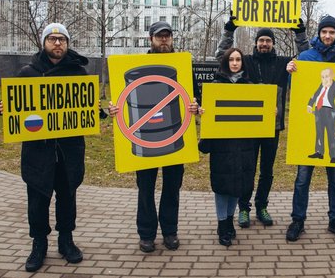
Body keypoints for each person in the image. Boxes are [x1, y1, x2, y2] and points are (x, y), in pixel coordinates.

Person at [0, 23, 107, 272]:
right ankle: (39, 244)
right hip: (38, 152)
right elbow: (15, 105)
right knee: (37, 199)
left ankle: (66, 241)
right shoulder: (28, 73)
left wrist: (96, 111)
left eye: (62, 39)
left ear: (67, 44)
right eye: (53, 39)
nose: (58, 43)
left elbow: (89, 111)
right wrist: (2, 108)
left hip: (69, 151)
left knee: (67, 196)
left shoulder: (78, 74)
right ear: (44, 42)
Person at [109, 21, 200, 253]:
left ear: (172, 39)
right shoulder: (135, 65)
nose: (163, 40)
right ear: (151, 39)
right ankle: (146, 234)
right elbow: (121, 95)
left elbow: (194, 95)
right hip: (144, 139)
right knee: (145, 188)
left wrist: (195, 106)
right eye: (159, 36)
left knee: (172, 187)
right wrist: (115, 109)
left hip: (174, 135)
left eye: (167, 36)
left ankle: (170, 231)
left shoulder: (182, 65)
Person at [215, 16, 308, 228]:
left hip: (272, 127)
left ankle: (262, 206)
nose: (264, 43)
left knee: (267, 169)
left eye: (268, 40)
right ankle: (244, 208)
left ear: (273, 43)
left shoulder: (285, 63)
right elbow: (222, 56)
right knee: (246, 168)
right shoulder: (245, 61)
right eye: (261, 40)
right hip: (248, 126)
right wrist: (229, 30)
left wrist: (300, 34)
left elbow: (309, 60)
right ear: (256, 42)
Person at [285, 15, 335, 242]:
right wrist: (291, 72)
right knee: (302, 178)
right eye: (324, 32)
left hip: (333, 117)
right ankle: (298, 220)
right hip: (313, 119)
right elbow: (298, 88)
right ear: (318, 33)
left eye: (332, 32)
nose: (328, 36)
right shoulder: (306, 57)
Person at [198, 48, 257, 247]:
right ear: (225, 62)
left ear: (242, 62)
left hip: (243, 145)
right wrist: (204, 112)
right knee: (222, 187)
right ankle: (222, 225)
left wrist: (269, 112)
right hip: (222, 146)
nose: (234, 63)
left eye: (238, 59)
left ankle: (230, 222)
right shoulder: (215, 86)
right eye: (231, 59)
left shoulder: (250, 86)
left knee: (236, 187)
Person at [307, 67, 335, 163]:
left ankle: (333, 156)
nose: (324, 79)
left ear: (332, 76)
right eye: (322, 77)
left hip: (329, 111)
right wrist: (309, 104)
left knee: (332, 133)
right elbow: (315, 94)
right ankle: (319, 152)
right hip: (318, 111)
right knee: (319, 132)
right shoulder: (321, 85)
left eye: (327, 76)